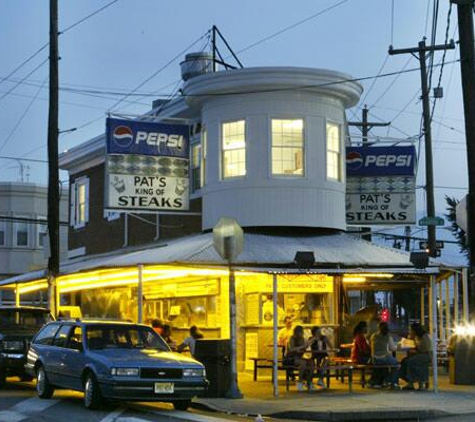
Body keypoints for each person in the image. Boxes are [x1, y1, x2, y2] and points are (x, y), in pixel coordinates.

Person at [398, 322, 432, 390]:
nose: (410, 331)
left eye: (411, 330)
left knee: (410, 361)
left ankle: (412, 382)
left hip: (426, 355)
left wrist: (416, 349)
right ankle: (409, 381)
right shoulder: (417, 336)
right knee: (404, 361)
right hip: (420, 354)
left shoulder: (424, 337)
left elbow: (424, 349)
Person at [368, 322, 399, 389]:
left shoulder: (373, 335)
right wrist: (398, 346)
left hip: (374, 359)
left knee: (384, 366)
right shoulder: (388, 336)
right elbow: (392, 348)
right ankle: (392, 382)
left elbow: (371, 346)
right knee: (396, 364)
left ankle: (383, 381)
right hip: (384, 357)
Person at [285, 325, 314, 392]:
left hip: (300, 357)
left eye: (301, 332)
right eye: (299, 332)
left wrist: (308, 345)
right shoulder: (292, 338)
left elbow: (303, 348)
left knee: (311, 363)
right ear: (296, 332)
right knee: (303, 363)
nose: (300, 333)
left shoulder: (303, 339)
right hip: (291, 358)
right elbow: (291, 349)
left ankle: (309, 381)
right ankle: (300, 381)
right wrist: (301, 347)